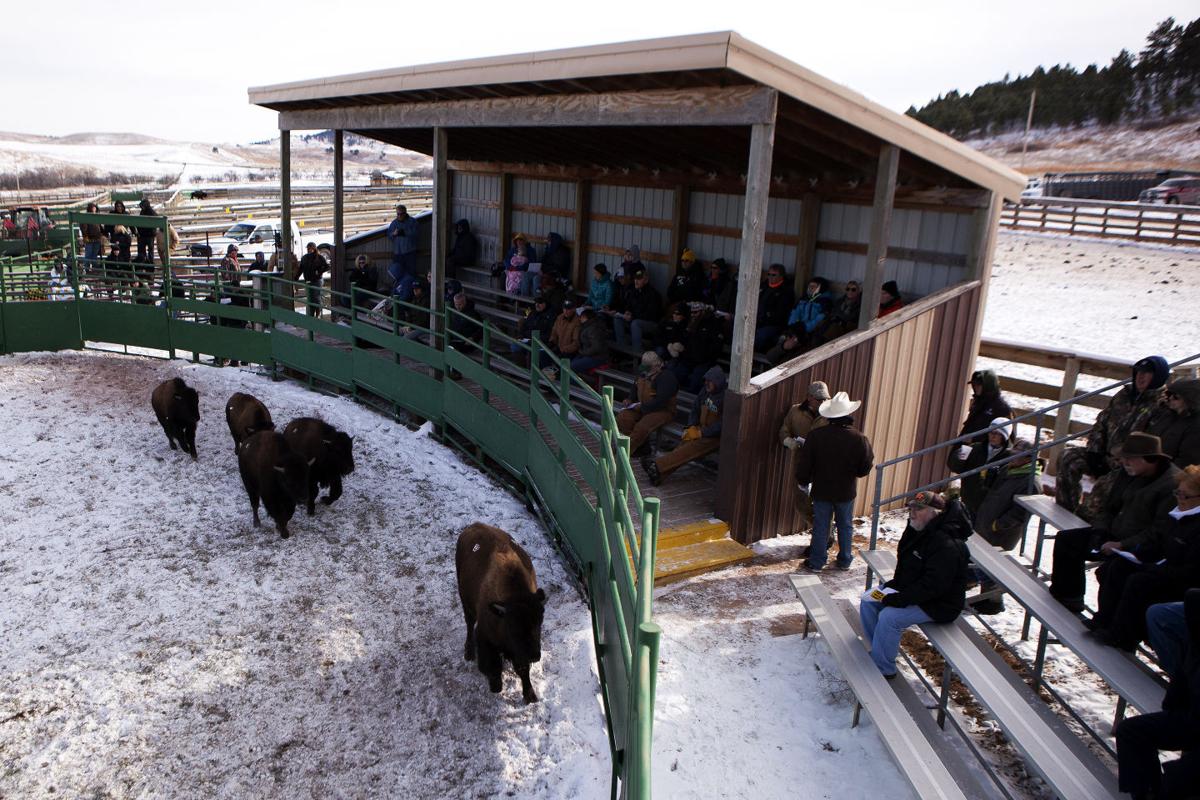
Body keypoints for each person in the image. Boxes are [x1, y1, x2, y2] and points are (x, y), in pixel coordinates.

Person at [1050, 432, 1181, 613]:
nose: (1124, 463)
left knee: (1112, 572)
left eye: (1130, 459)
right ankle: (1068, 597)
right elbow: (1108, 507)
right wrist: (1100, 531)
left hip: (1141, 547)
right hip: (1114, 533)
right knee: (1067, 540)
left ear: (1150, 459)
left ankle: (1106, 621)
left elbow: (1159, 531)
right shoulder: (1127, 474)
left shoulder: (1170, 485)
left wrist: (1122, 545)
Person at [1088, 465, 1200, 652]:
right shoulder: (1178, 516)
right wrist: (1137, 554)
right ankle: (1103, 620)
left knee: (1139, 582)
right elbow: (1160, 543)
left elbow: (1191, 571)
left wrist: (1152, 568)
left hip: (1183, 583)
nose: (1180, 499)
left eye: (1186, 496)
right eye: (1178, 493)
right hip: (1164, 569)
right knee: (1117, 567)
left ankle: (1123, 635)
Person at [859, 490, 970, 678]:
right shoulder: (917, 529)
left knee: (889, 617)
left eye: (919, 509)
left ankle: (884, 669)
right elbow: (907, 566)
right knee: (869, 600)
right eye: (911, 507)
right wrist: (892, 588)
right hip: (913, 590)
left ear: (935, 513)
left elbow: (934, 586)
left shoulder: (947, 543)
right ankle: (879, 651)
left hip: (939, 604)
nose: (912, 512)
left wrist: (899, 598)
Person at [1057, 355, 1170, 521]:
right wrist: (1094, 453)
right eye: (1139, 371)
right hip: (1104, 455)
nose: (1141, 376)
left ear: (1158, 376)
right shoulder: (1123, 395)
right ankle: (1064, 515)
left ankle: (1083, 527)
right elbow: (1101, 422)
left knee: (1103, 489)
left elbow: (1151, 443)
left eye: (1147, 373)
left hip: (1130, 465)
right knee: (1068, 457)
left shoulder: (1162, 404)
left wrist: (1121, 460)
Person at [1114, 588, 1200, 800]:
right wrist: (1170, 713)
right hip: (1193, 719)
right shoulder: (1196, 643)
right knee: (1130, 732)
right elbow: (1180, 685)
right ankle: (1145, 794)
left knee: (1178, 778)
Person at [795, 391, 875, 571]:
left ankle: (817, 561)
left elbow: (805, 462)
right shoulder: (859, 438)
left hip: (821, 489)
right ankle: (845, 560)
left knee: (821, 526)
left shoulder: (816, 436)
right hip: (846, 490)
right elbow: (866, 465)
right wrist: (855, 473)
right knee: (845, 525)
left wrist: (803, 481)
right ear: (848, 414)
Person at [969, 438, 1043, 614]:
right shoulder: (1008, 469)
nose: (1014, 458)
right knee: (982, 563)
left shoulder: (1030, 482)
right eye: (1014, 454)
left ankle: (993, 602)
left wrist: (997, 525)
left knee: (993, 567)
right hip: (987, 523)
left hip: (1002, 532)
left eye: (1020, 456)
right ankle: (985, 598)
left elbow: (1020, 514)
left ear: (1030, 459)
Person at [644, 367, 726, 486]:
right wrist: (691, 426)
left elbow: (722, 424)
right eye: (705, 380)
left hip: (714, 437)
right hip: (700, 429)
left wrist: (702, 433)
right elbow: (695, 409)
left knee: (690, 448)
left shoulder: (725, 398)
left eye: (710, 381)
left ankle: (656, 465)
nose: (706, 383)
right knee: (684, 444)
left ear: (717, 382)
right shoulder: (704, 391)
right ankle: (659, 475)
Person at [779, 381, 831, 531]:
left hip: (823, 466)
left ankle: (823, 538)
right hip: (801, 465)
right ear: (809, 397)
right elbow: (784, 429)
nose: (823, 402)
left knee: (823, 505)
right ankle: (820, 532)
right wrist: (788, 441)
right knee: (802, 504)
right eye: (819, 399)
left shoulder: (831, 415)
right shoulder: (795, 412)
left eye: (825, 399)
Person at [946, 417, 1014, 516]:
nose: (993, 436)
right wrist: (958, 458)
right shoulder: (975, 448)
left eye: (997, 433)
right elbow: (955, 468)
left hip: (990, 505)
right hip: (968, 498)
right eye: (991, 432)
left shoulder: (1010, 457)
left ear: (1004, 436)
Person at [616, 351, 678, 457]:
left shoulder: (667, 377)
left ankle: (623, 453)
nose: (645, 370)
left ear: (656, 365)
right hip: (642, 407)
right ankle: (641, 448)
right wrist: (630, 399)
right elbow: (635, 387)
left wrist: (642, 406)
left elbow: (660, 401)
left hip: (663, 410)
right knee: (623, 417)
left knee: (642, 426)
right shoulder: (643, 373)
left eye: (648, 367)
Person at [669, 305, 724, 393]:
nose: (693, 315)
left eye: (696, 312)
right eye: (691, 312)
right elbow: (682, 339)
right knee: (674, 376)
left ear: (702, 312)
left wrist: (708, 359)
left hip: (704, 361)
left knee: (695, 382)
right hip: (688, 359)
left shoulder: (712, 324)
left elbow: (716, 346)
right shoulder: (689, 323)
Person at [1150, 379, 1200, 468]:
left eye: (1176, 396)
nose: (1171, 398)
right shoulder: (1166, 414)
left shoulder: (1195, 426)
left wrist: (1156, 471)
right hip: (1144, 467)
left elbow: (1187, 462)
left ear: (1189, 399)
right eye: (1169, 394)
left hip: (1166, 476)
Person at [612, 268, 663, 352]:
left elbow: (650, 315)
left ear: (646, 280)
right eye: (635, 278)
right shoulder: (634, 291)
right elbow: (628, 305)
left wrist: (632, 317)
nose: (636, 281)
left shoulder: (653, 295)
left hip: (651, 323)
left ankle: (636, 354)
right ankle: (622, 350)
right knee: (617, 318)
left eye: (639, 279)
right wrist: (627, 312)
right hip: (635, 319)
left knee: (635, 324)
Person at [960, 370, 1013, 445]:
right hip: (968, 446)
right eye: (974, 385)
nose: (975, 387)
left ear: (988, 386)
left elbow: (1006, 435)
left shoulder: (1002, 408)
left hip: (985, 449)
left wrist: (975, 439)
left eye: (979, 385)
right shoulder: (978, 402)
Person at [753, 264, 795, 351]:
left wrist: (766, 317)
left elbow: (781, 313)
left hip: (774, 324)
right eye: (769, 274)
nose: (770, 277)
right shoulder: (763, 286)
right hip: (757, 320)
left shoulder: (786, 291)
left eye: (773, 275)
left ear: (781, 276)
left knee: (760, 335)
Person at [785, 276, 834, 346]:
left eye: (813, 287)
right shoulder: (803, 299)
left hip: (810, 332)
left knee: (792, 345)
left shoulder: (825, 303)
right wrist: (792, 325)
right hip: (797, 328)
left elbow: (819, 320)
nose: (810, 288)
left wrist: (805, 327)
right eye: (809, 286)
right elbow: (795, 312)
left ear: (821, 288)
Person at [386, 205, 420, 299]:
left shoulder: (412, 222)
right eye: (398, 214)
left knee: (411, 273)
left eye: (401, 214)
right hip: (398, 253)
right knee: (397, 274)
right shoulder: (394, 223)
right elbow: (389, 235)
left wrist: (404, 233)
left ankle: (411, 294)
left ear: (405, 213)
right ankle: (397, 293)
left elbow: (416, 234)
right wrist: (394, 234)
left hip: (410, 252)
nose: (399, 216)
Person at [512, 294, 556, 365]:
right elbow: (524, 326)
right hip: (527, 339)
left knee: (532, 351)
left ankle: (528, 370)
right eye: (536, 303)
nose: (537, 305)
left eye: (540, 303)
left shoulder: (551, 316)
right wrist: (521, 334)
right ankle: (521, 369)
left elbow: (549, 334)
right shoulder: (532, 313)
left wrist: (535, 340)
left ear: (546, 304)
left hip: (540, 342)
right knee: (515, 345)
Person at [571, 308, 610, 374]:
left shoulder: (593, 328)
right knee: (568, 364)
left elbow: (596, 347)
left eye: (581, 317)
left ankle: (581, 382)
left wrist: (583, 352)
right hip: (588, 355)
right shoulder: (587, 326)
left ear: (585, 317)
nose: (580, 318)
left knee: (572, 366)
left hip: (597, 357)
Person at [295, 241, 327, 317]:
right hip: (308, 281)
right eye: (308, 248)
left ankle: (318, 314)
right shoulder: (304, 258)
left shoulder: (319, 257)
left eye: (310, 248)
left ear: (313, 248)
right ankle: (312, 314)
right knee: (310, 298)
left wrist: (319, 272)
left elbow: (327, 266)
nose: (308, 250)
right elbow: (301, 268)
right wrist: (296, 277)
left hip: (317, 280)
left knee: (316, 297)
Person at [547, 298, 582, 364]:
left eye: (568, 309)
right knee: (543, 355)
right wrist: (552, 341)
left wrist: (564, 349)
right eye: (564, 308)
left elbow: (576, 343)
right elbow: (554, 332)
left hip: (570, 352)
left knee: (557, 362)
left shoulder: (577, 322)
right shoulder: (560, 317)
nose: (565, 311)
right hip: (559, 348)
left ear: (574, 309)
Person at [81, 202, 103, 266]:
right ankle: (86, 268)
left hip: (97, 238)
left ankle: (94, 268)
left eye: (94, 207)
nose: (94, 209)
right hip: (89, 238)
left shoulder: (97, 216)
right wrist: (86, 237)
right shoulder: (86, 217)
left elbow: (100, 226)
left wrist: (102, 234)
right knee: (88, 254)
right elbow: (84, 228)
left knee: (94, 254)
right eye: (92, 208)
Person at [135, 199, 157, 264]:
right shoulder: (143, 211)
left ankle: (150, 263)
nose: (142, 207)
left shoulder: (151, 212)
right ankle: (143, 262)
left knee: (149, 250)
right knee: (143, 250)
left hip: (149, 235)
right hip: (143, 235)